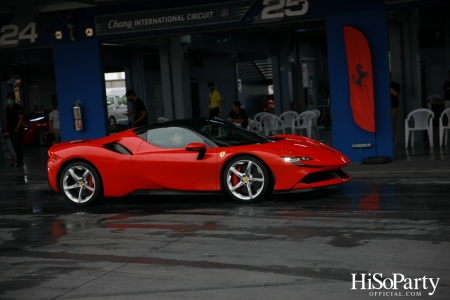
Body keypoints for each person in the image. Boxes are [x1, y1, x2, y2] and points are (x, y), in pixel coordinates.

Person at [3, 92, 24, 166]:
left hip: (16, 130)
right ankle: (17, 160)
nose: (9, 100)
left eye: (10, 99)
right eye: (8, 99)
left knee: (18, 145)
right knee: (14, 145)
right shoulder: (8, 108)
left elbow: (21, 118)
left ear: (14, 99)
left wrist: (17, 127)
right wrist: (6, 121)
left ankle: (20, 160)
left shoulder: (18, 107)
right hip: (11, 129)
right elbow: (4, 114)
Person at [390, 73, 401, 142]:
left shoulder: (396, 85)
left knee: (393, 123)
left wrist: (387, 85)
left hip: (393, 107)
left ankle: (393, 140)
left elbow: (395, 94)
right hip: (384, 107)